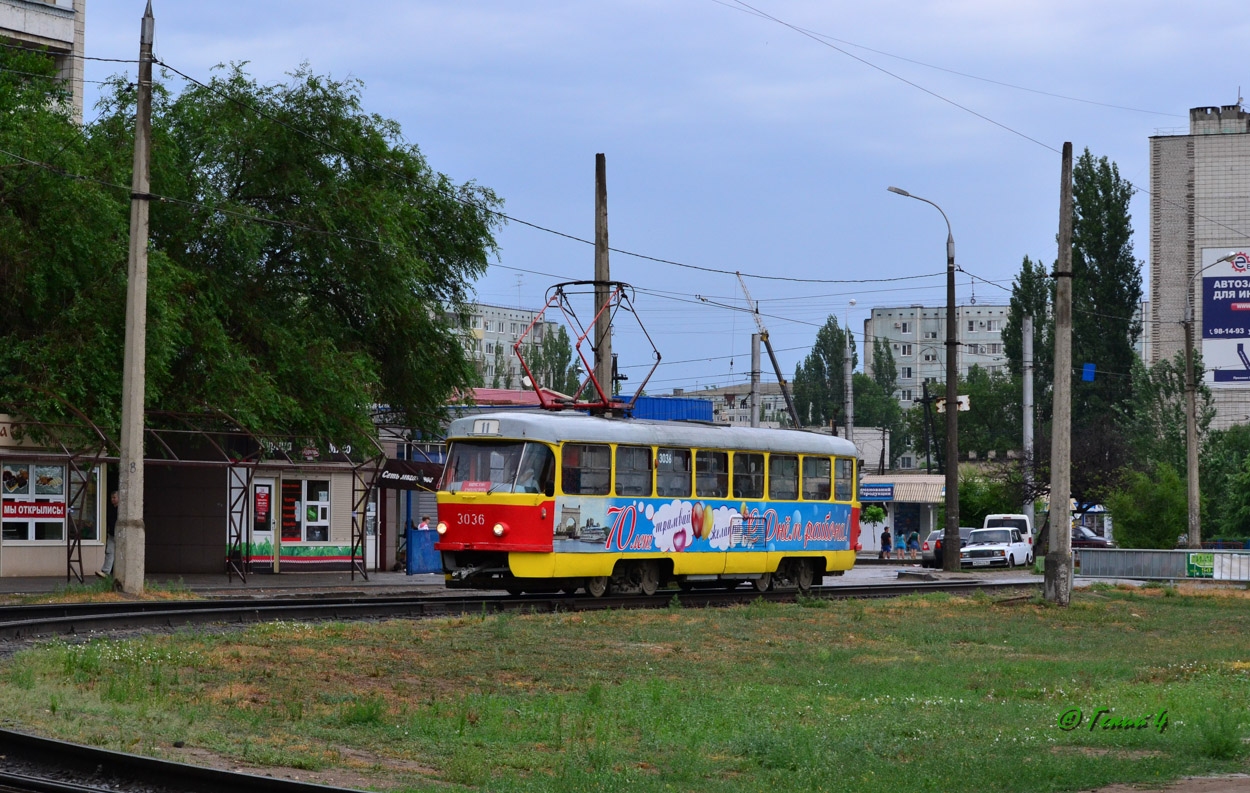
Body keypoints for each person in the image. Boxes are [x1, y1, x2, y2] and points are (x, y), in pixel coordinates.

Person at [97, 490, 118, 579]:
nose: (112, 499)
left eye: (114, 497)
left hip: (120, 535)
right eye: (111, 498)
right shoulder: (110, 509)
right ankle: (105, 572)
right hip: (111, 534)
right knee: (109, 552)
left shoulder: (122, 510)